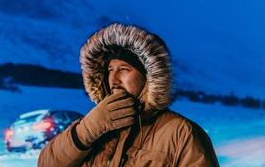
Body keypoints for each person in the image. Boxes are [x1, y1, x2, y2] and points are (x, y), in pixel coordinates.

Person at [38, 23, 219, 167]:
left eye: (124, 69)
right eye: (110, 70)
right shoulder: (93, 126)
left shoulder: (181, 133)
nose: (113, 79)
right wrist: (86, 130)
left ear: (148, 77)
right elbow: (45, 164)